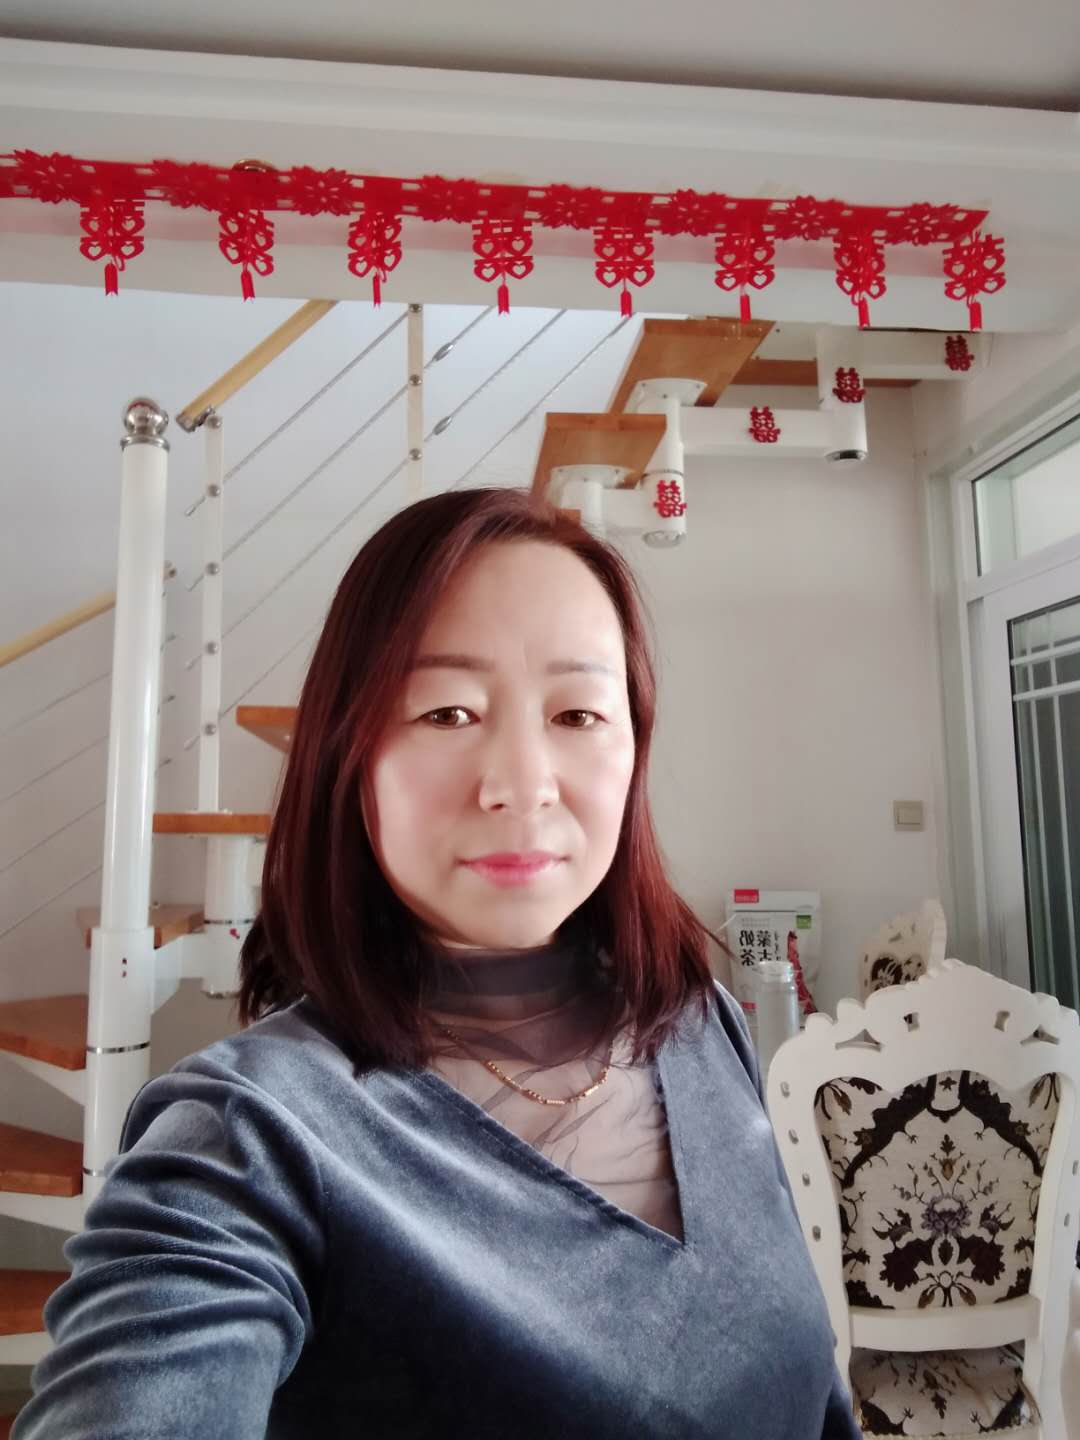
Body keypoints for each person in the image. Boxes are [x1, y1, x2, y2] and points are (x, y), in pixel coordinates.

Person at [15, 487, 859, 1438]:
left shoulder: (702, 1025)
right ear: (350, 754)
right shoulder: (250, 1137)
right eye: (448, 712)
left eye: (578, 714)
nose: (522, 786)